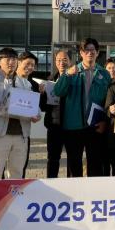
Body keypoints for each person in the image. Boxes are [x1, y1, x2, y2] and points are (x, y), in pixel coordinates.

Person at [54, 37, 111, 177]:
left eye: (93, 50)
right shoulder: (71, 72)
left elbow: (108, 101)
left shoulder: (104, 74)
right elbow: (58, 91)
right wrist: (67, 75)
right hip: (73, 126)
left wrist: (105, 121)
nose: (90, 53)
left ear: (97, 53)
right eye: (86, 50)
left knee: (95, 166)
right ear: (81, 53)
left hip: (95, 126)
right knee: (74, 166)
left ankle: (93, 190)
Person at [0, 48, 41, 180]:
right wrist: (4, 79)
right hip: (0, 135)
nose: (11, 62)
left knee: (16, 174)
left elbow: (33, 105)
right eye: (8, 59)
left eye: (14, 59)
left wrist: (36, 114)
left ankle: (14, 195)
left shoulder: (25, 83)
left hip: (21, 135)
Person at [42, 50, 69, 178]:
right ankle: (51, 184)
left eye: (64, 59)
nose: (61, 62)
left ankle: (73, 185)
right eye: (59, 60)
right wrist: (42, 94)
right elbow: (43, 107)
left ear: (70, 61)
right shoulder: (50, 80)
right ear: (55, 62)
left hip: (71, 126)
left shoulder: (75, 79)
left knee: (73, 158)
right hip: (54, 126)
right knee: (53, 158)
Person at [17, 51, 44, 178]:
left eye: (33, 65)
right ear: (19, 62)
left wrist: (37, 115)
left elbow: (35, 107)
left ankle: (18, 190)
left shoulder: (32, 84)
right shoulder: (8, 81)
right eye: (27, 64)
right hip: (4, 133)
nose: (30, 67)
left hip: (23, 133)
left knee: (20, 167)